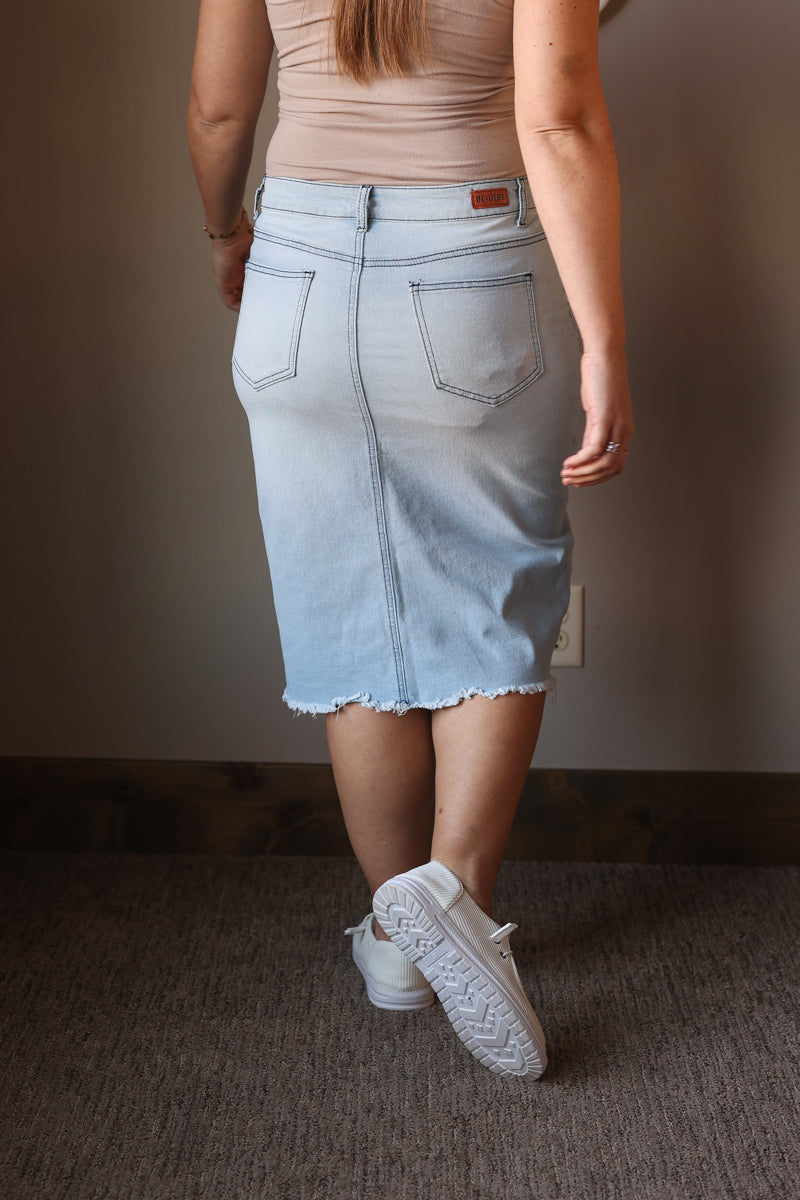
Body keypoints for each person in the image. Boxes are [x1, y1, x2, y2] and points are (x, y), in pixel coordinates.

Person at [188, 0, 633, 1080]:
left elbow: (214, 108)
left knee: (346, 610)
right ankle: (454, 895)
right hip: (468, 255)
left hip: (292, 259)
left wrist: (224, 230)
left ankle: (395, 942)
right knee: (499, 587)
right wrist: (605, 338)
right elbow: (558, 114)